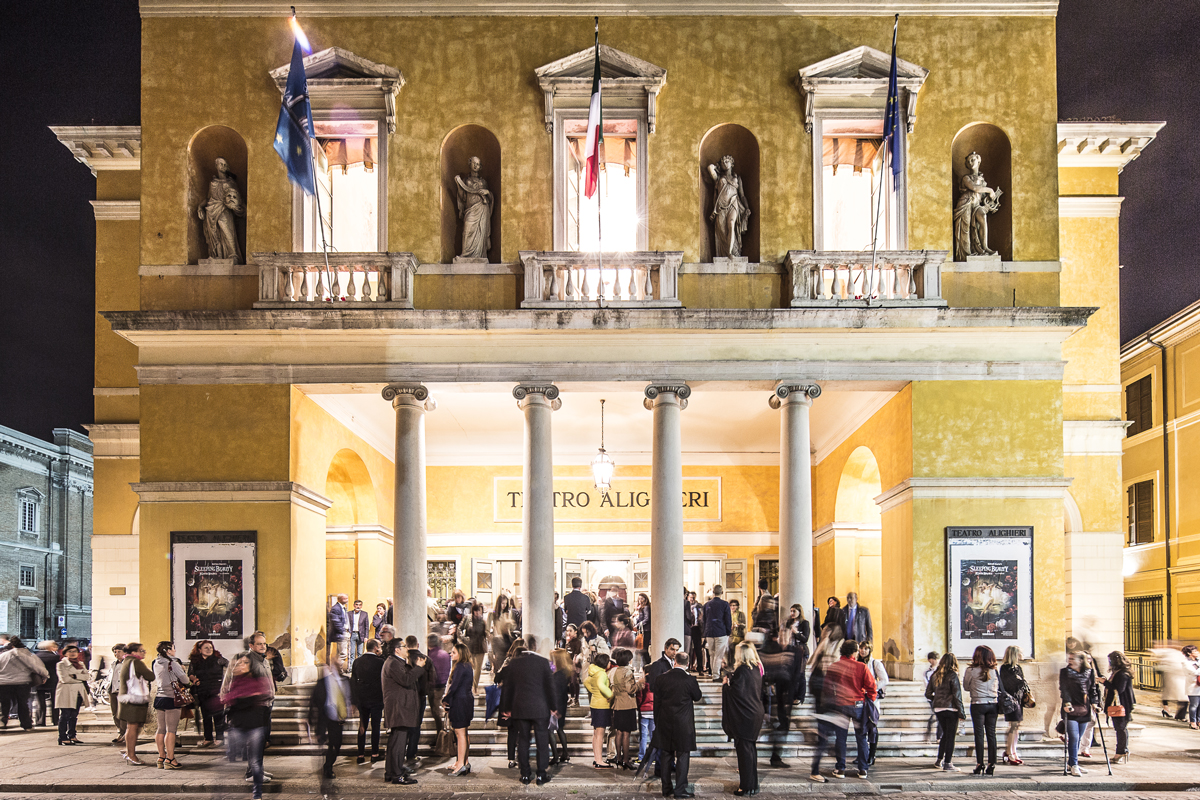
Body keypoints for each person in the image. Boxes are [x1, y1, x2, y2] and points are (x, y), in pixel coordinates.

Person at [809, 639, 876, 782]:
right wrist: (870, 698)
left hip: (840, 706)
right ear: (854, 652)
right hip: (858, 705)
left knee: (841, 738)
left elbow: (827, 688)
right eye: (857, 650)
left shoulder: (834, 667)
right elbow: (872, 686)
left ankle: (840, 768)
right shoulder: (862, 667)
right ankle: (863, 769)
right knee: (861, 737)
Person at [502, 635, 557, 785]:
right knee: (542, 741)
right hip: (540, 708)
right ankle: (540, 774)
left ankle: (525, 774)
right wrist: (553, 707)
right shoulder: (543, 662)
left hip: (520, 707)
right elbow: (550, 687)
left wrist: (507, 708)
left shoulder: (514, 663)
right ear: (535, 646)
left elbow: (508, 687)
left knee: (523, 741)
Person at [220, 652, 273, 800]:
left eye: (245, 663)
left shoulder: (255, 679)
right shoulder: (232, 681)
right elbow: (224, 697)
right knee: (228, 762)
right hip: (237, 725)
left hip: (255, 724)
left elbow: (265, 694)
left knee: (255, 762)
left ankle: (257, 794)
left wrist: (240, 698)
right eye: (239, 663)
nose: (242, 665)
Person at [654, 651, 702, 798]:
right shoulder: (690, 680)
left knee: (666, 756)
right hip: (683, 724)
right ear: (687, 664)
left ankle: (666, 788)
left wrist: (657, 722)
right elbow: (698, 696)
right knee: (682, 757)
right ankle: (680, 789)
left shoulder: (661, 679)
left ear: (674, 661)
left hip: (665, 722)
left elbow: (657, 703)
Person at [723, 642, 765, 796]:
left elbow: (737, 692)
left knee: (744, 751)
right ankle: (752, 784)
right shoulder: (756, 669)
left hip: (745, 716)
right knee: (751, 749)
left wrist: (726, 686)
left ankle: (745, 787)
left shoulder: (742, 670)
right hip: (755, 713)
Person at [382, 642, 425, 785]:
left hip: (399, 708)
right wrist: (418, 668)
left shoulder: (395, 662)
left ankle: (391, 772)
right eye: (404, 646)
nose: (407, 648)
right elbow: (406, 679)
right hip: (399, 709)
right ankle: (397, 774)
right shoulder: (393, 663)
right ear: (397, 650)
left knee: (395, 742)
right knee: (399, 743)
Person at [642, 638, 681, 768]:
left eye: (676, 650)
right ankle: (660, 765)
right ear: (666, 649)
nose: (675, 652)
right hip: (662, 706)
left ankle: (670, 763)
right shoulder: (658, 664)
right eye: (672, 649)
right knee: (662, 737)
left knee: (672, 738)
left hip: (672, 707)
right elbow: (653, 685)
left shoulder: (676, 663)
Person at [152, 641, 191, 769]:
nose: (174, 650)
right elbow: (185, 680)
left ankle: (161, 757)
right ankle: (170, 759)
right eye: (173, 648)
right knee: (171, 730)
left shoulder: (156, 662)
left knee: (161, 729)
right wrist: (184, 672)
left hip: (159, 697)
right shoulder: (173, 663)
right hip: (172, 698)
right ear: (168, 650)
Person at [197, 156, 245, 261]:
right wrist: (200, 207)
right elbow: (209, 198)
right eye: (221, 164)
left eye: (225, 165)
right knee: (214, 235)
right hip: (211, 210)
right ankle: (216, 256)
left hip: (225, 210)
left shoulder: (231, 183)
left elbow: (237, 199)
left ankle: (232, 255)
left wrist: (238, 207)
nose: (223, 166)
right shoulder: (212, 183)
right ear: (216, 165)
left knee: (226, 230)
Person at [1060, 650, 1099, 776]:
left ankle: (1072, 763)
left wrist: (1095, 704)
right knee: (1074, 737)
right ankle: (1074, 765)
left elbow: (1092, 689)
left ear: (1081, 660)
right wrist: (1067, 703)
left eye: (1073, 658)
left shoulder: (1090, 672)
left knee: (1078, 738)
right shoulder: (1065, 672)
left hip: (1084, 709)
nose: (1070, 661)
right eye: (1069, 658)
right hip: (1070, 708)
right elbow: (1064, 689)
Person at [925, 653, 966, 772]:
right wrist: (961, 712)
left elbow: (928, 693)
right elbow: (957, 695)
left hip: (939, 709)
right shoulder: (953, 675)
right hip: (951, 709)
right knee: (950, 736)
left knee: (945, 735)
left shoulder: (935, 674)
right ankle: (948, 762)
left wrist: (936, 700)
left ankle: (939, 760)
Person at [963, 645, 1000, 776]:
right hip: (993, 704)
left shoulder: (971, 670)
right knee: (991, 734)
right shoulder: (995, 671)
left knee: (979, 735)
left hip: (978, 704)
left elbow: (966, 687)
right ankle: (992, 764)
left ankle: (980, 763)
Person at [309, 663, 350, 781]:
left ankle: (328, 763)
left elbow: (347, 696)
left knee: (336, 744)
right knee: (327, 744)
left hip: (337, 717)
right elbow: (313, 702)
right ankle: (328, 767)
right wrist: (311, 719)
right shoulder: (322, 683)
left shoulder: (344, 680)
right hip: (324, 717)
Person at [706, 154, 751, 258]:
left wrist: (747, 207)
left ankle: (730, 253)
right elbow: (709, 168)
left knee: (731, 224)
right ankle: (728, 251)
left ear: (732, 164)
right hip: (721, 207)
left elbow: (742, 195)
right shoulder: (718, 178)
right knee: (722, 231)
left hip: (733, 203)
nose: (725, 163)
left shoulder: (737, 178)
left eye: (727, 161)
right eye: (723, 162)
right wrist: (716, 167)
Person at [0, 636, 48, 732]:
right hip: (22, 682)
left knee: (4, 703)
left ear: (12, 646)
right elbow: (37, 667)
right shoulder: (28, 655)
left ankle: (2, 721)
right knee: (23, 704)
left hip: (4, 682)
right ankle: (26, 724)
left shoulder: (4, 655)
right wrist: (45, 676)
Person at [116, 642, 153, 765]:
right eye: (141, 650)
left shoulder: (126, 661)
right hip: (134, 699)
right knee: (132, 727)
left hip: (127, 698)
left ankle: (129, 753)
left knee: (131, 727)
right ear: (134, 652)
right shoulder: (136, 662)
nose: (144, 653)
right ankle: (131, 755)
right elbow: (150, 676)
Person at [350, 638, 385, 764]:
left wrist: (354, 700)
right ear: (376, 648)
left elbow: (353, 681)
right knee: (375, 726)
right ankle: (374, 754)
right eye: (379, 646)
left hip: (362, 698)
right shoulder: (380, 662)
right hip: (376, 698)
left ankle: (360, 754)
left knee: (362, 726)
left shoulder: (357, 662)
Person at [187, 640, 228, 747]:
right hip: (203, 690)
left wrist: (226, 684)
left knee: (219, 715)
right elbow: (190, 673)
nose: (209, 649)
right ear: (199, 650)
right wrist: (195, 680)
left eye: (211, 647)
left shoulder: (218, 660)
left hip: (217, 690)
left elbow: (231, 668)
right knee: (206, 716)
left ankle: (220, 738)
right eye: (206, 648)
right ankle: (208, 738)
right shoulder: (195, 661)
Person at [443, 642, 475, 775]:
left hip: (460, 702)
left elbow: (454, 686)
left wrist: (446, 700)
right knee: (464, 733)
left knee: (460, 734)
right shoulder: (468, 666)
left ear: (461, 654)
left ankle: (461, 764)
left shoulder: (460, 666)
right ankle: (463, 761)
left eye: (454, 652)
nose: (451, 654)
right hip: (466, 701)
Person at [455, 155, 493, 259]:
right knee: (467, 230)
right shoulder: (466, 180)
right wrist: (459, 184)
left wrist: (487, 192)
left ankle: (480, 255)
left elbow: (490, 198)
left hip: (482, 208)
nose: (476, 166)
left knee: (481, 232)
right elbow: (462, 196)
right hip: (470, 209)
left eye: (478, 164)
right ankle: (465, 254)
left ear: (480, 167)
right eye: (474, 163)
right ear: (469, 163)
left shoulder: (483, 182)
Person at [857, 641, 888, 767]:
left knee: (872, 727)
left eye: (865, 648)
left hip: (871, 699)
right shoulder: (858, 662)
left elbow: (885, 679)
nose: (863, 651)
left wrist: (872, 688)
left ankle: (871, 755)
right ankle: (863, 754)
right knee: (861, 727)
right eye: (861, 648)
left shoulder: (875, 663)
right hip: (860, 698)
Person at [1103, 650, 1136, 763]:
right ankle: (1121, 751)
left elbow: (1118, 689)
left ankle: (1122, 751)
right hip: (1121, 705)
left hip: (1121, 705)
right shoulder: (1120, 672)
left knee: (1120, 729)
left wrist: (1105, 682)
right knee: (1120, 729)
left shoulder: (1122, 674)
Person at [610, 647, 640, 770]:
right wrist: (640, 684)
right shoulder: (628, 672)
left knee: (619, 732)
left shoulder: (615, 671)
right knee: (626, 734)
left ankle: (618, 758)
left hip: (617, 704)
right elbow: (630, 689)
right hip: (627, 705)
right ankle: (626, 760)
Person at [584, 651, 614, 769]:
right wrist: (610, 695)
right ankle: (600, 760)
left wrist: (594, 692)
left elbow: (586, 682)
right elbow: (602, 686)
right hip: (602, 705)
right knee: (600, 734)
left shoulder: (593, 672)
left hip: (594, 704)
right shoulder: (601, 674)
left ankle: (597, 758)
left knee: (596, 733)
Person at [54, 643, 90, 745]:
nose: (73, 653)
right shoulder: (61, 664)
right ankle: (62, 737)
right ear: (65, 653)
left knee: (74, 715)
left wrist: (74, 676)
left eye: (75, 651)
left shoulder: (81, 664)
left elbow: (87, 677)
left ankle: (72, 735)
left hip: (78, 692)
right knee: (65, 715)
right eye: (70, 651)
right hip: (66, 692)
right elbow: (64, 679)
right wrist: (79, 676)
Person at [999, 646, 1028, 765]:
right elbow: (1007, 685)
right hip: (1011, 700)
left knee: (1017, 726)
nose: (1022, 655)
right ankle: (1009, 752)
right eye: (1020, 653)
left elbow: (1022, 682)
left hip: (1019, 699)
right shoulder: (1005, 668)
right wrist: (1019, 681)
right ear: (1014, 654)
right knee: (1013, 725)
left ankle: (1012, 751)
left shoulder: (1018, 668)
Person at [703, 585, 733, 681]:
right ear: (722, 592)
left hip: (709, 632)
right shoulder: (724, 604)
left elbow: (704, 620)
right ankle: (715, 675)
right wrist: (728, 631)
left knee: (711, 654)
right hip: (721, 631)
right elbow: (728, 619)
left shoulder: (706, 605)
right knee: (718, 655)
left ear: (713, 593)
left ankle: (713, 673)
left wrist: (705, 632)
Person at [549, 648, 574, 764]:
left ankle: (555, 756)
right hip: (562, 704)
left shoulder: (557, 675)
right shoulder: (565, 672)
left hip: (556, 705)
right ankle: (565, 753)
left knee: (550, 730)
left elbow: (555, 692)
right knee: (560, 729)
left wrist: (553, 708)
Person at [426, 633, 450, 735]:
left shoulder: (429, 655)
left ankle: (440, 734)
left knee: (435, 711)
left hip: (433, 686)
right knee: (438, 710)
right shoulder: (445, 654)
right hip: (443, 685)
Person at [33, 641, 60, 728]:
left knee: (40, 702)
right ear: (50, 647)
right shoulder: (55, 657)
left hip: (39, 681)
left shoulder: (36, 656)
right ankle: (55, 720)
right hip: (53, 680)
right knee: (55, 702)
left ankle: (40, 721)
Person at [463, 603, 488, 694]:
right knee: (469, 666)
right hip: (470, 646)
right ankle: (468, 685)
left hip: (480, 646)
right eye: (476, 610)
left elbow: (487, 633)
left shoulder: (483, 621)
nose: (477, 613)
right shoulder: (468, 619)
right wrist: (464, 639)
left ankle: (474, 686)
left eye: (479, 611)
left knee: (478, 669)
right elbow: (459, 629)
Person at [107, 643, 129, 744]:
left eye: (119, 651)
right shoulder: (114, 664)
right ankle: (120, 730)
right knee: (115, 712)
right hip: (113, 690)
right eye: (115, 652)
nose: (116, 654)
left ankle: (124, 733)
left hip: (123, 691)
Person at [329, 594, 351, 671]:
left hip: (345, 632)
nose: (347, 600)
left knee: (342, 653)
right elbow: (336, 621)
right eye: (345, 598)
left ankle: (338, 670)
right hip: (341, 633)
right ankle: (337, 670)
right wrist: (342, 631)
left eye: (347, 598)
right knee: (342, 654)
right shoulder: (336, 608)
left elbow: (346, 620)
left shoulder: (343, 608)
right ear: (339, 599)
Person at [922, 651, 940, 742]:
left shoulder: (940, 671)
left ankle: (938, 736)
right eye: (934, 659)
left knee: (938, 716)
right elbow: (927, 684)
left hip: (939, 696)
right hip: (932, 696)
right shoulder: (927, 672)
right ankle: (934, 735)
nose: (936, 661)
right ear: (930, 660)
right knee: (936, 715)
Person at [687, 591, 705, 675]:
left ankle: (700, 668)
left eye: (693, 597)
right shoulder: (686, 606)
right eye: (691, 597)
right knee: (688, 649)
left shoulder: (699, 606)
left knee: (698, 648)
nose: (692, 599)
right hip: (688, 628)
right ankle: (688, 666)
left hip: (697, 628)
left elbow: (702, 617)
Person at [348, 600, 370, 665]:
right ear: (354, 605)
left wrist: (366, 636)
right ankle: (351, 668)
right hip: (352, 634)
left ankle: (359, 667)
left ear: (361, 606)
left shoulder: (364, 614)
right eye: (357, 604)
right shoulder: (349, 613)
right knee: (352, 653)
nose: (358, 606)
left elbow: (366, 626)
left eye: (360, 605)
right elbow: (347, 624)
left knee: (360, 653)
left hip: (361, 635)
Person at [1184, 645, 1200, 728]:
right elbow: (1195, 672)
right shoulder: (1186, 662)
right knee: (1194, 704)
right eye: (1195, 651)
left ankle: (1198, 720)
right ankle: (1192, 721)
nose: (1197, 652)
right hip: (1193, 686)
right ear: (1189, 653)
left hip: (1199, 686)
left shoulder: (1198, 660)